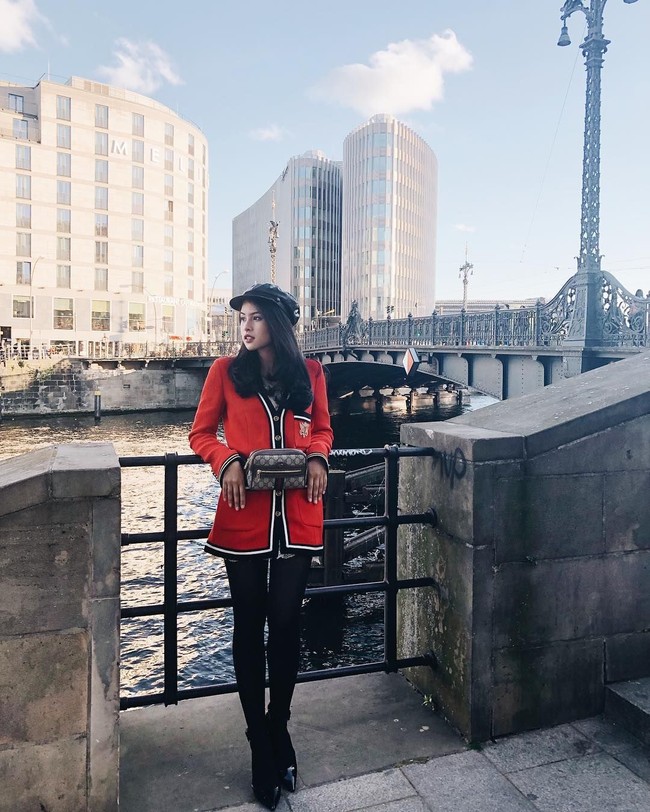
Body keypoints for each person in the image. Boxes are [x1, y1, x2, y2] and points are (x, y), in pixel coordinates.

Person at [189, 283, 333, 810]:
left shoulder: (311, 375)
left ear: (278, 322)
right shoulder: (225, 372)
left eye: (255, 317)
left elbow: (322, 428)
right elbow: (201, 433)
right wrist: (225, 460)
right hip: (245, 518)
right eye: (241, 319)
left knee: (288, 623)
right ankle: (257, 741)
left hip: (297, 517)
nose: (245, 327)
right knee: (249, 626)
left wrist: (317, 454)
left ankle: (280, 728)